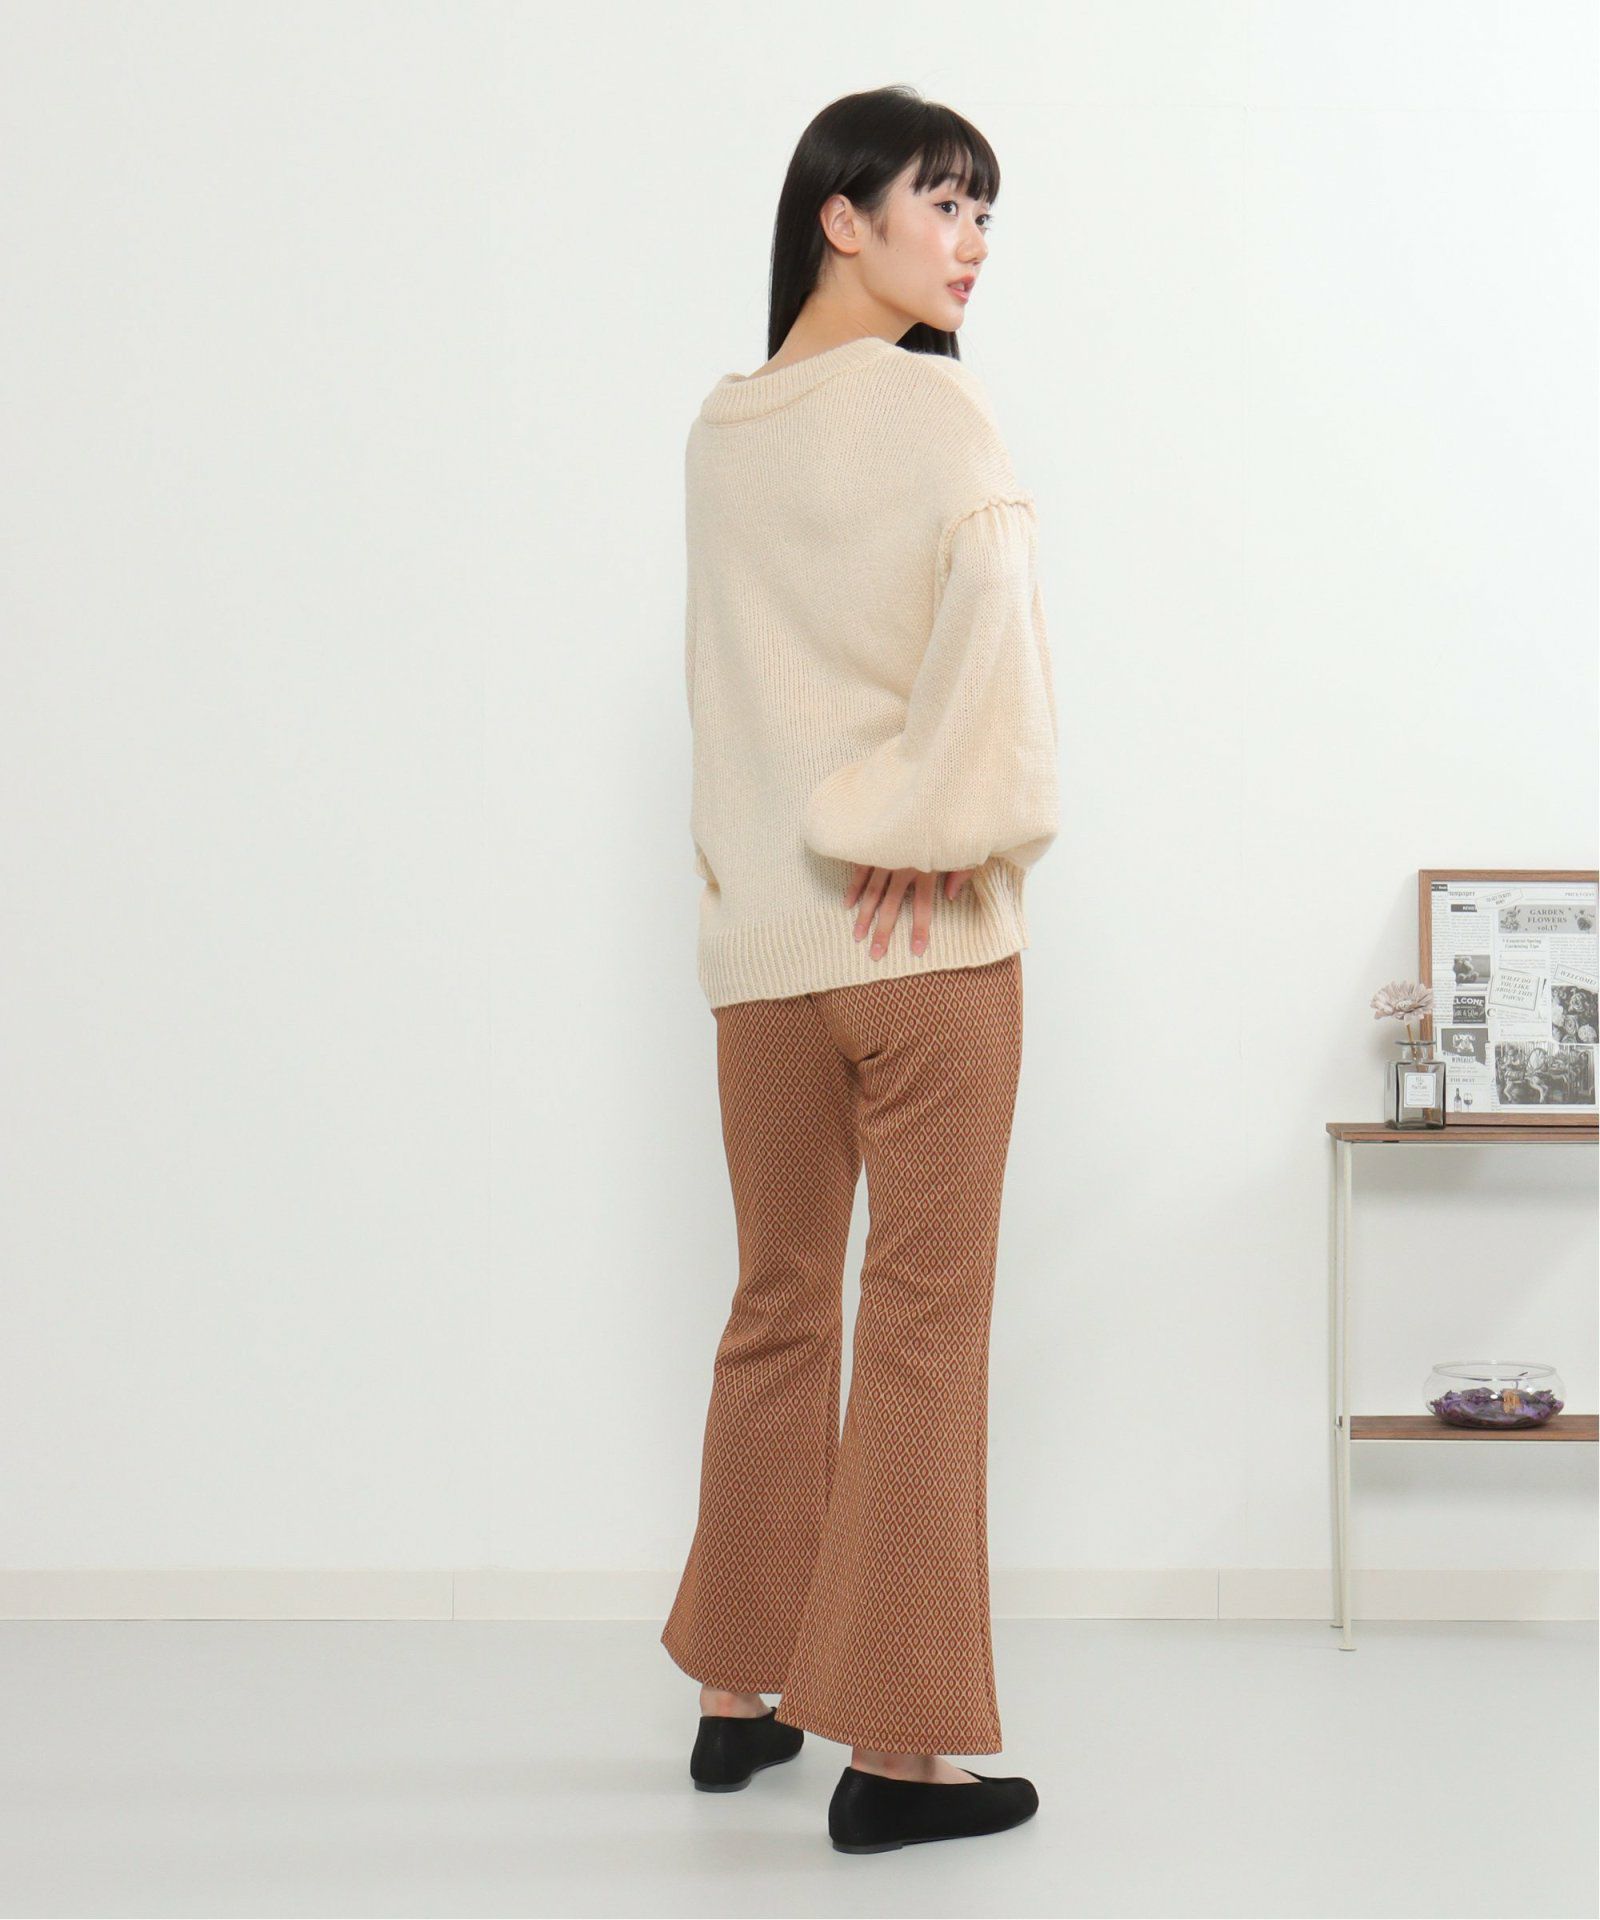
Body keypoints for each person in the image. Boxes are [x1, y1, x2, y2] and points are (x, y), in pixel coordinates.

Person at [659, 84, 1060, 1855]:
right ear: (842, 215)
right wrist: (929, 822)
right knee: (920, 1327)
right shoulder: (931, 406)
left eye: (984, 214)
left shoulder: (723, 428)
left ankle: (736, 1696)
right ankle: (899, 1755)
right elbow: (999, 627)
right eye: (943, 203)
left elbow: (730, 689)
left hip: (763, 956)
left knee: (777, 1308)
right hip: (918, 948)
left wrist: (789, 861)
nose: (971, 243)